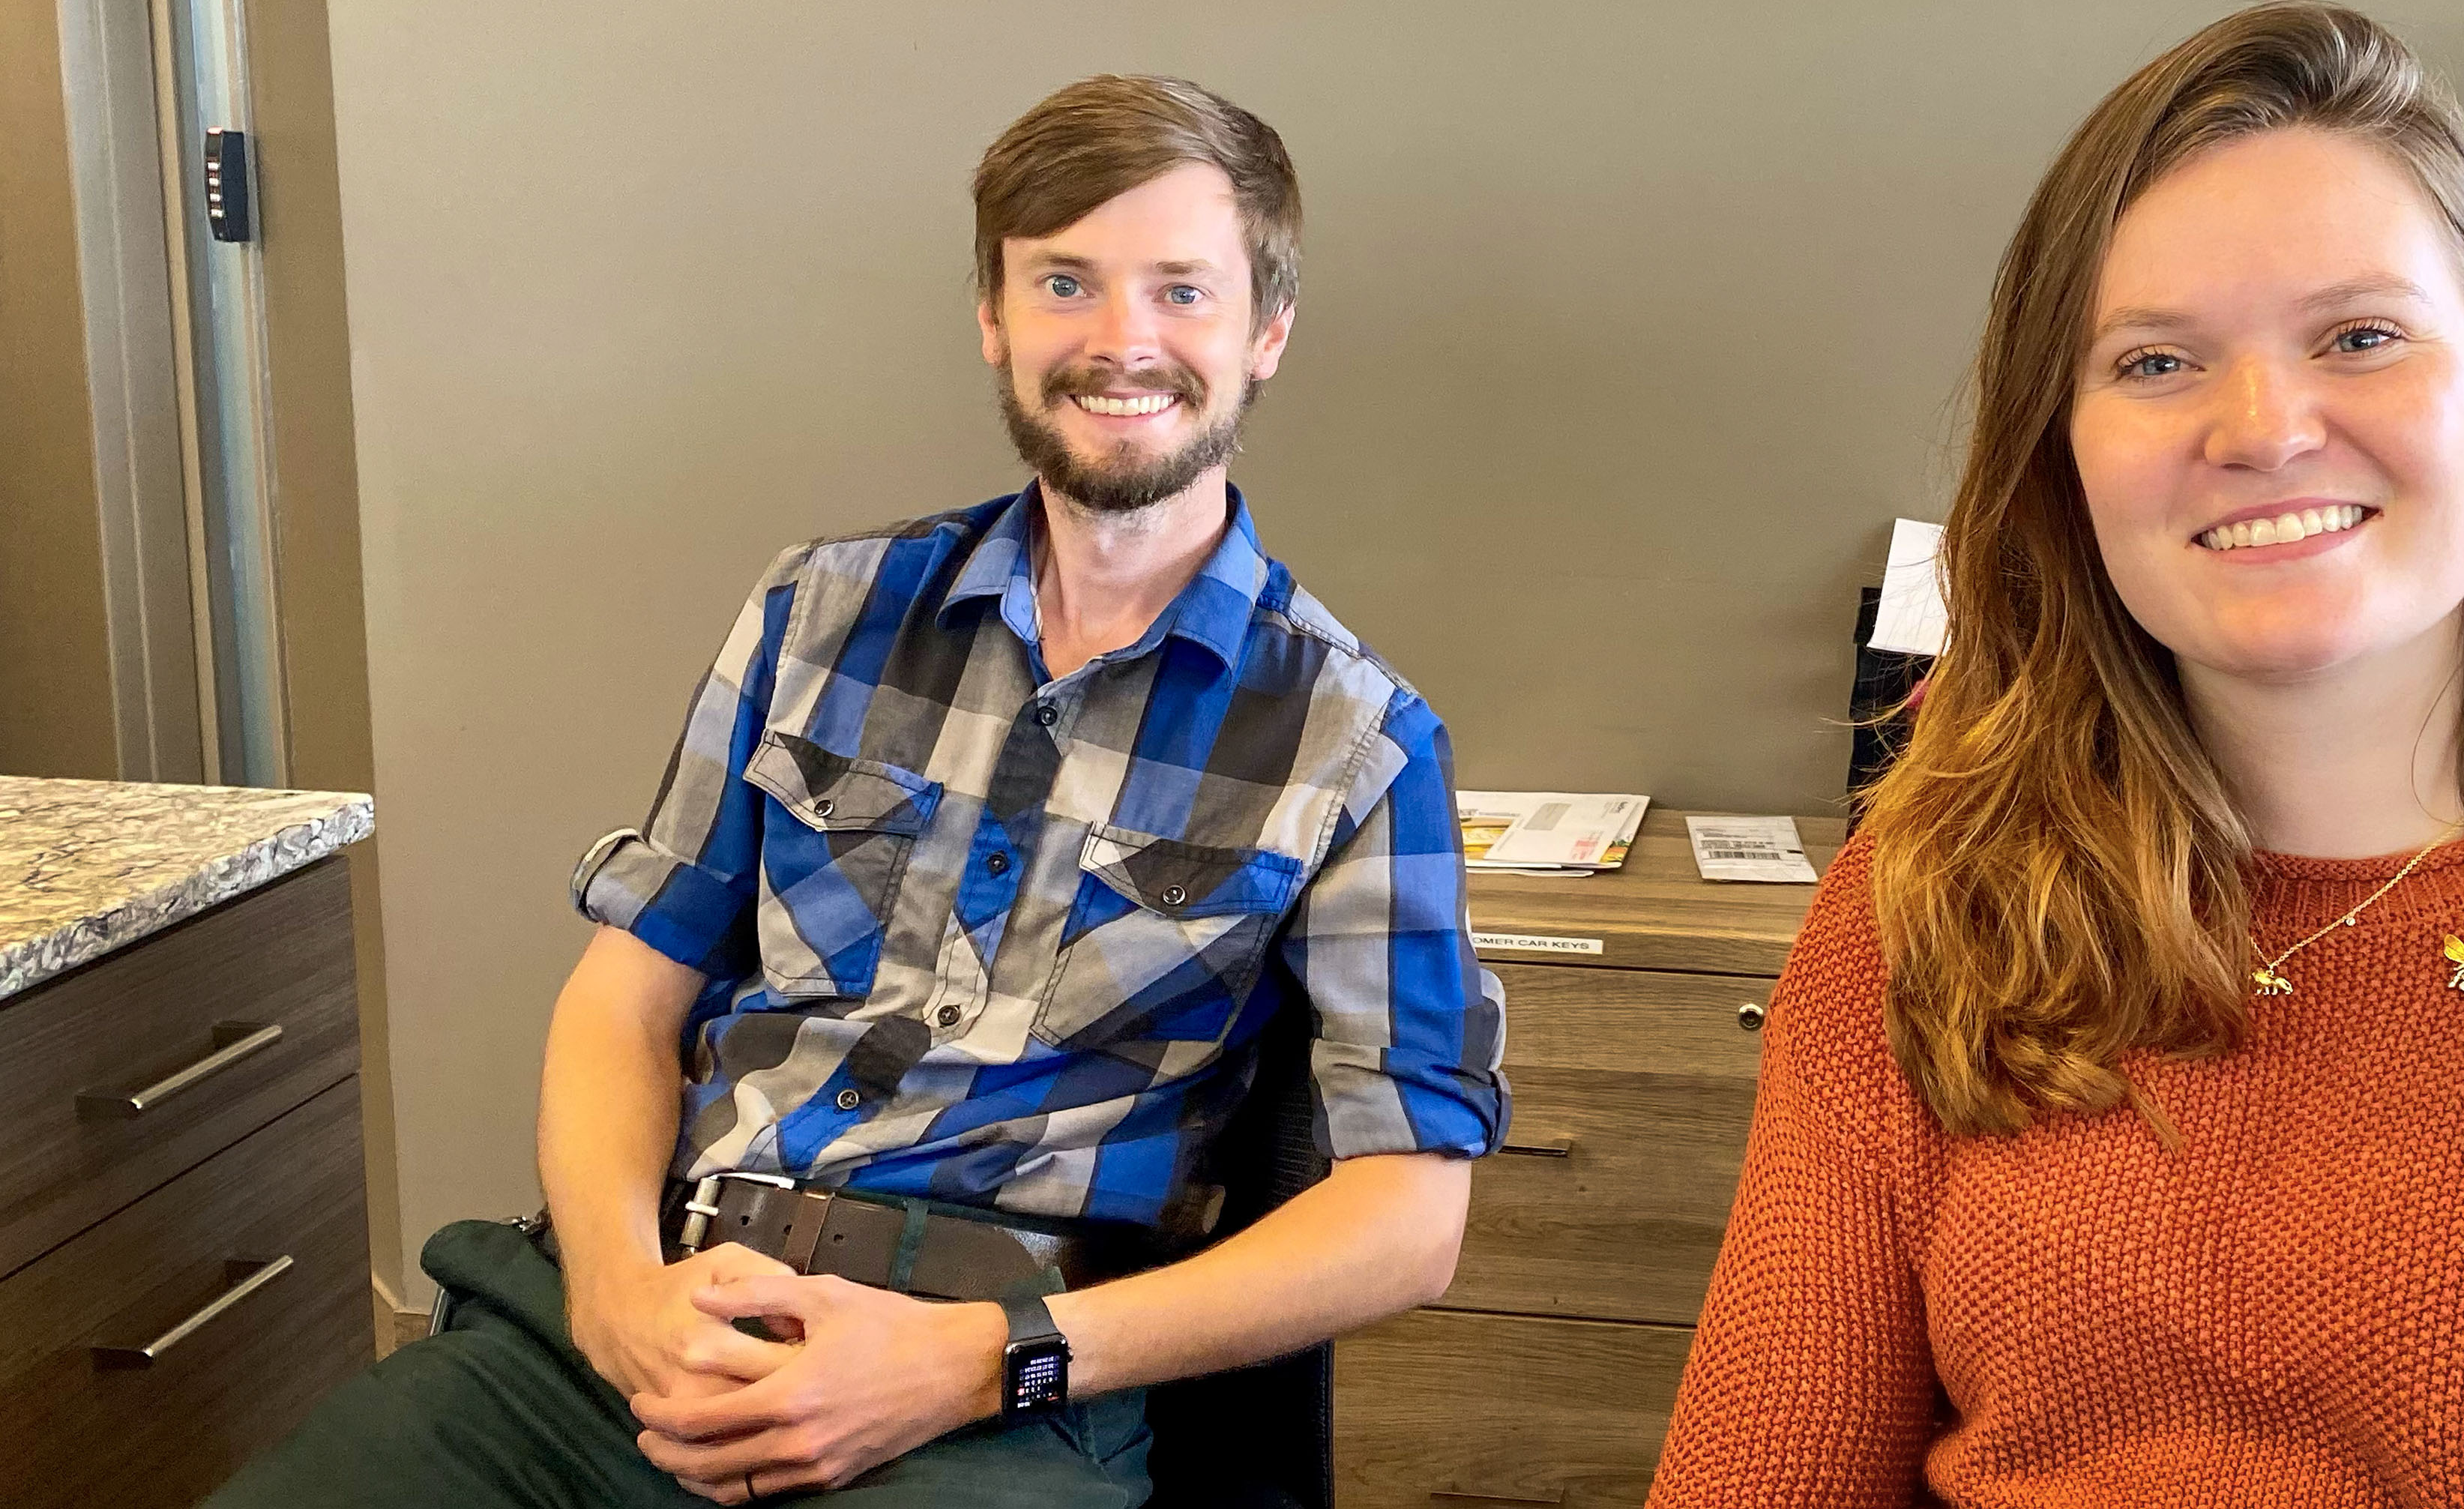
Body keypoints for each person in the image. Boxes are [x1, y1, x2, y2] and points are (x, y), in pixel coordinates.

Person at [1651, 1, 2464, 1506]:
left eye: (2357, 337)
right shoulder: (1921, 902)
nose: (2261, 427)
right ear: (2065, 459)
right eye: (2154, 364)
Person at [219, 76, 1507, 1508]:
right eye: (1064, 282)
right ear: (994, 320)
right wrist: (612, 1298)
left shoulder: (1357, 739)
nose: (1121, 339)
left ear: (1265, 332)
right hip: (662, 1314)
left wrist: (981, 1363)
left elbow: (1408, 1221)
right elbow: (624, 997)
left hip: (997, 1393)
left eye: (1182, 291)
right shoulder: (818, 610)